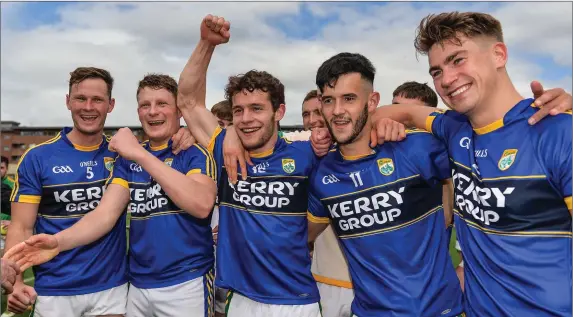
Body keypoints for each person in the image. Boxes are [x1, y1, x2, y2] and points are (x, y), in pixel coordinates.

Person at [369, 11, 572, 317]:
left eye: (458, 60)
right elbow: (403, 113)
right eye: (436, 71)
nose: (447, 80)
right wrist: (385, 125)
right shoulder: (453, 128)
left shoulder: (557, 130)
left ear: (498, 55)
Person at [4, 74, 217, 317]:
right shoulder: (126, 160)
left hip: (184, 282)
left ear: (178, 111)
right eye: (145, 105)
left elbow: (201, 205)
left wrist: (142, 153)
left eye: (162, 104)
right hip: (136, 285)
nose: (152, 112)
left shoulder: (191, 153)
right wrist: (58, 242)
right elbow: (105, 214)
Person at [175, 15, 323, 317]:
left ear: (278, 111)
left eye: (257, 109)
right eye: (239, 111)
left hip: (296, 301)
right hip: (241, 299)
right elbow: (188, 101)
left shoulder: (307, 154)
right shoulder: (222, 149)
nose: (246, 119)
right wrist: (206, 44)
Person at [306, 52, 463, 317]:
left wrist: (404, 113)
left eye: (349, 98)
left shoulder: (416, 147)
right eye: (329, 100)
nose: (338, 111)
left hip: (439, 311)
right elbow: (297, 236)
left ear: (373, 102)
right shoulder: (322, 174)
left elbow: (472, 128)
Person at [301, 89, 354, 317]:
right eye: (305, 114)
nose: (312, 120)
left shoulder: (362, 150)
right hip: (322, 278)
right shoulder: (298, 157)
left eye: (317, 112)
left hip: (368, 282)